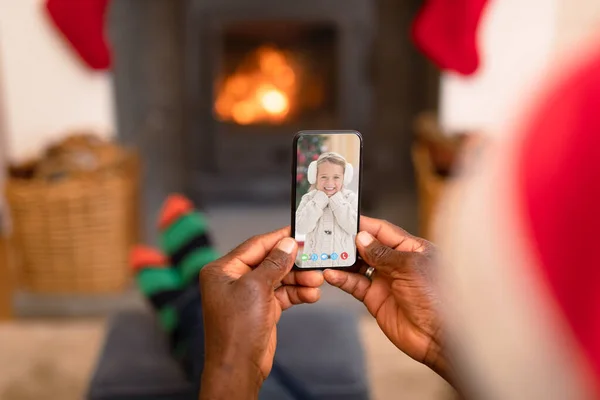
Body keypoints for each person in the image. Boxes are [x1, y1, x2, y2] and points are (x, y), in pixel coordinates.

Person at [295, 152, 358, 267]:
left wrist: (337, 201)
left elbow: (354, 227)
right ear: (314, 177)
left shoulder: (350, 198)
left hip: (342, 263)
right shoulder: (308, 198)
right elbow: (301, 227)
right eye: (324, 177)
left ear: (345, 178)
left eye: (336, 177)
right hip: (313, 263)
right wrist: (318, 201)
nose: (330, 183)